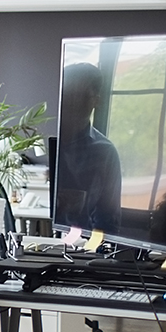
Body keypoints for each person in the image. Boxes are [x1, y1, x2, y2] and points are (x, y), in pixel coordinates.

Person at [55, 62, 121, 232]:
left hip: (80, 247)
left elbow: (108, 217)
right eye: (67, 94)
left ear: (96, 101)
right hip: (31, 238)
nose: (72, 102)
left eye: (81, 95)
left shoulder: (104, 152)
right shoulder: (39, 140)